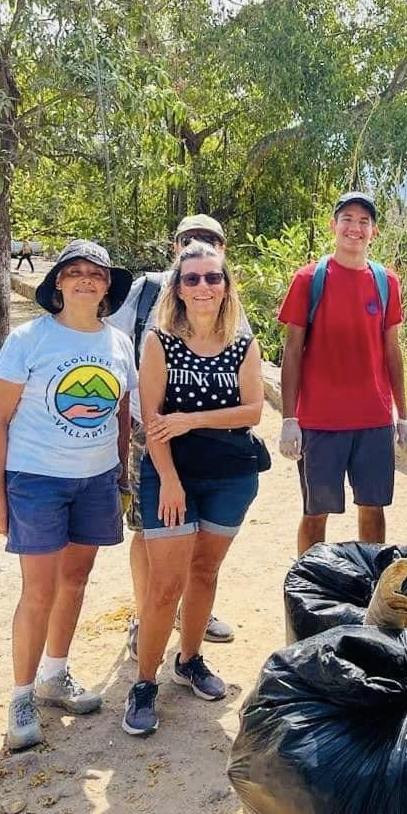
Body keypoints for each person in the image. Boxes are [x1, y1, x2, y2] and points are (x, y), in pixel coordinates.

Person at [0, 239, 135, 751]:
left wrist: (122, 474)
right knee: (39, 590)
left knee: (76, 579)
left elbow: (121, 413)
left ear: (108, 286)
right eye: (74, 272)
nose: (86, 280)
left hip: (96, 479)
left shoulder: (118, 344)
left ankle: (54, 673)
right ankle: (22, 694)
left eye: (96, 272)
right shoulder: (29, 339)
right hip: (36, 478)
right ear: (59, 285)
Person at [123, 241, 263, 736]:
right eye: (192, 279)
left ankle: (190, 659)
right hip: (171, 477)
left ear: (226, 286)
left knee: (205, 572)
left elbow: (253, 411)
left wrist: (192, 419)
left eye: (212, 277)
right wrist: (170, 480)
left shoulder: (245, 344)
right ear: (178, 289)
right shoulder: (159, 342)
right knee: (166, 586)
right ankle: (144, 682)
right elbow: (154, 423)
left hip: (230, 475)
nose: (203, 287)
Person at [105, 215, 238, 660]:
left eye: (210, 241)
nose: (199, 246)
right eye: (190, 240)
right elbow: (116, 353)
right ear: (175, 245)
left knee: (201, 535)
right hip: (149, 431)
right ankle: (147, 616)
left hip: (207, 439)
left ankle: (192, 614)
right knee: (148, 531)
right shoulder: (145, 291)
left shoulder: (223, 295)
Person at [277, 191, 407, 556]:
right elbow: (292, 349)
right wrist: (290, 418)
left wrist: (403, 414)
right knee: (315, 511)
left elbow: (392, 350)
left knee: (373, 507)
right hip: (320, 420)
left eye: (363, 221)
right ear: (333, 225)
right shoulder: (309, 279)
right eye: (347, 219)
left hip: (373, 419)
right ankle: (308, 583)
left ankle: (372, 587)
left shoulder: (387, 283)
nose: (355, 228)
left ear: (374, 232)